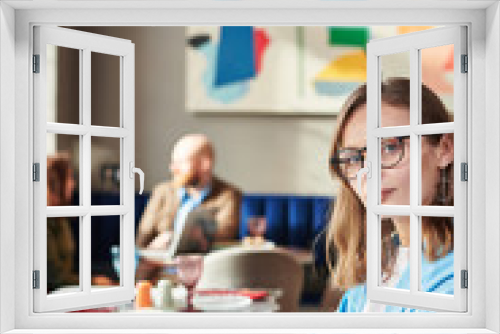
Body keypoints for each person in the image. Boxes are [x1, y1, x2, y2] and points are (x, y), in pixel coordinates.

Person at [325, 78, 454, 312]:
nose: (369, 172)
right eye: (354, 158)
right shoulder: (379, 266)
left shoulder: (461, 276)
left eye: (389, 147)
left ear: (444, 149)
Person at [136, 134, 241, 251]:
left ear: (205, 164)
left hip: (203, 264)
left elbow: (223, 237)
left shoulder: (228, 195)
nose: (173, 169)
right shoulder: (162, 191)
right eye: (173, 163)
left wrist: (174, 240)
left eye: (181, 162)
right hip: (159, 263)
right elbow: (142, 239)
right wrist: (153, 249)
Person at [46, 153, 79, 293]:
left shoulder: (61, 217)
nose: (73, 184)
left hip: (65, 289)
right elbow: (53, 277)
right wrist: (92, 281)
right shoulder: (41, 222)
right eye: (70, 177)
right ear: (56, 183)